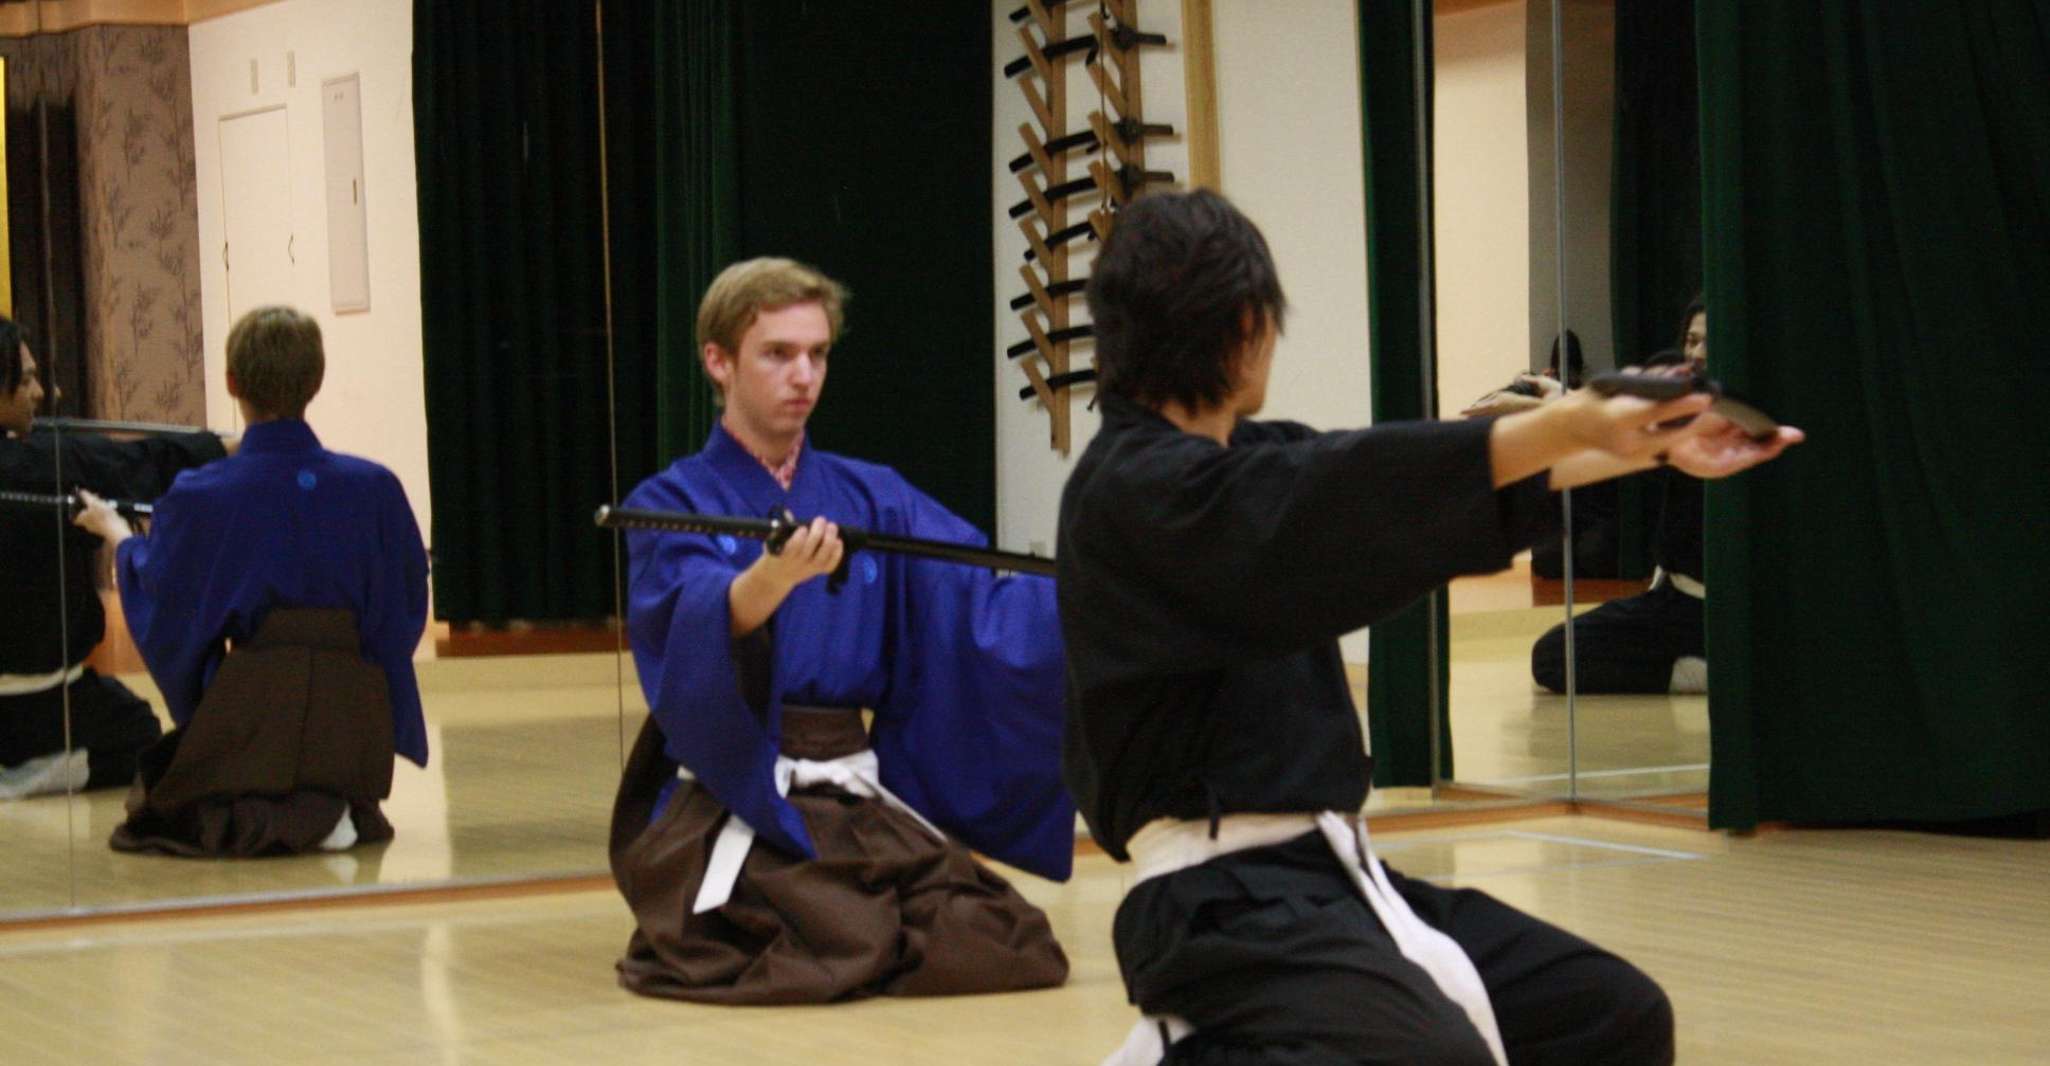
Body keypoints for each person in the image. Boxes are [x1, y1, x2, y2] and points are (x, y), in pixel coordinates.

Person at [1057, 191, 1800, 1064]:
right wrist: (1570, 423)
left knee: (1608, 1013)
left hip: (1332, 882)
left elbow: (1380, 484)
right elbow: (1348, 492)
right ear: (1247, 325)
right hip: (1216, 910)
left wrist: (1650, 444)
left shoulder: (1244, 462)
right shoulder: (1133, 490)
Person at [611, 256, 1071, 1004]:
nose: (804, 375)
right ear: (718, 361)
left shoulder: (871, 494)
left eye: (817, 354)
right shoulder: (674, 499)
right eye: (779, 354)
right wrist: (770, 578)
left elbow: (975, 597)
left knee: (1000, 943)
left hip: (852, 789)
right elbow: (690, 609)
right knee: (830, 936)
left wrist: (1088, 596)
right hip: (745, 785)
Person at [73, 306, 428, 856]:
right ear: (316, 380)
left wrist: (120, 535)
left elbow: (167, 600)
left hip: (252, 714)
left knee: (161, 802)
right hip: (351, 718)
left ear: (232, 381)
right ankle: (330, 802)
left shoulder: (201, 493)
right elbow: (404, 609)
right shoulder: (375, 487)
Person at [0, 315, 227, 800]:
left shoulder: (44, 458)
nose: (42, 391)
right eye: (24, 381)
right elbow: (142, 464)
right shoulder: (45, 466)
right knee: (140, 731)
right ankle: (29, 775)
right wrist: (230, 449)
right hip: (38, 705)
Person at [1531, 296, 1710, 694]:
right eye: (1691, 341)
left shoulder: (1722, 419)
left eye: (1707, 344)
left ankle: (1704, 670)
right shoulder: (1680, 403)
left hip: (1705, 609)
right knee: (1552, 656)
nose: (1696, 354)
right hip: (1670, 599)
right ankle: (1691, 665)